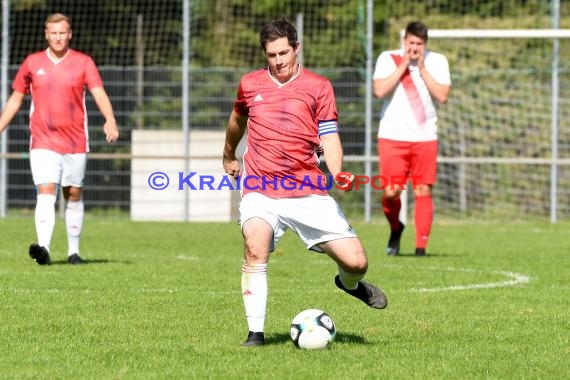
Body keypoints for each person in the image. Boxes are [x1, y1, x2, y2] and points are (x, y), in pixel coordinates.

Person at [223, 18, 388, 347]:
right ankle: (255, 335)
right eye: (271, 55)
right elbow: (236, 122)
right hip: (260, 187)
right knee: (255, 248)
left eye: (284, 52)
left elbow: (329, 136)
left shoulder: (318, 86)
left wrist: (337, 170)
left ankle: (350, 284)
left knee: (357, 262)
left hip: (306, 190)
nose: (279, 60)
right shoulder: (250, 84)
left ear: (296, 48)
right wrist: (229, 155)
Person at [0, 13, 119, 265]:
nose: (57, 37)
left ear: (69, 34)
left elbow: (99, 93)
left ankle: (73, 252)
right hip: (42, 141)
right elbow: (15, 99)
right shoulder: (32, 63)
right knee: (46, 190)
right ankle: (43, 248)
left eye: (62, 32)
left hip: (75, 141)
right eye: (53, 33)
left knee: (73, 193)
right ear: (46, 34)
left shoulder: (83, 62)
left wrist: (110, 118)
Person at [373, 21, 451, 257]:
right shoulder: (388, 58)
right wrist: (405, 65)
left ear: (425, 44)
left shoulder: (437, 61)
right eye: (410, 43)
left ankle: (420, 248)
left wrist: (422, 68)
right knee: (390, 192)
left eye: (419, 44)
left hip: (425, 137)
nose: (414, 47)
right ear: (404, 41)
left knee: (423, 190)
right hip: (392, 136)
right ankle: (396, 228)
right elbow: (379, 91)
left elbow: (442, 95)